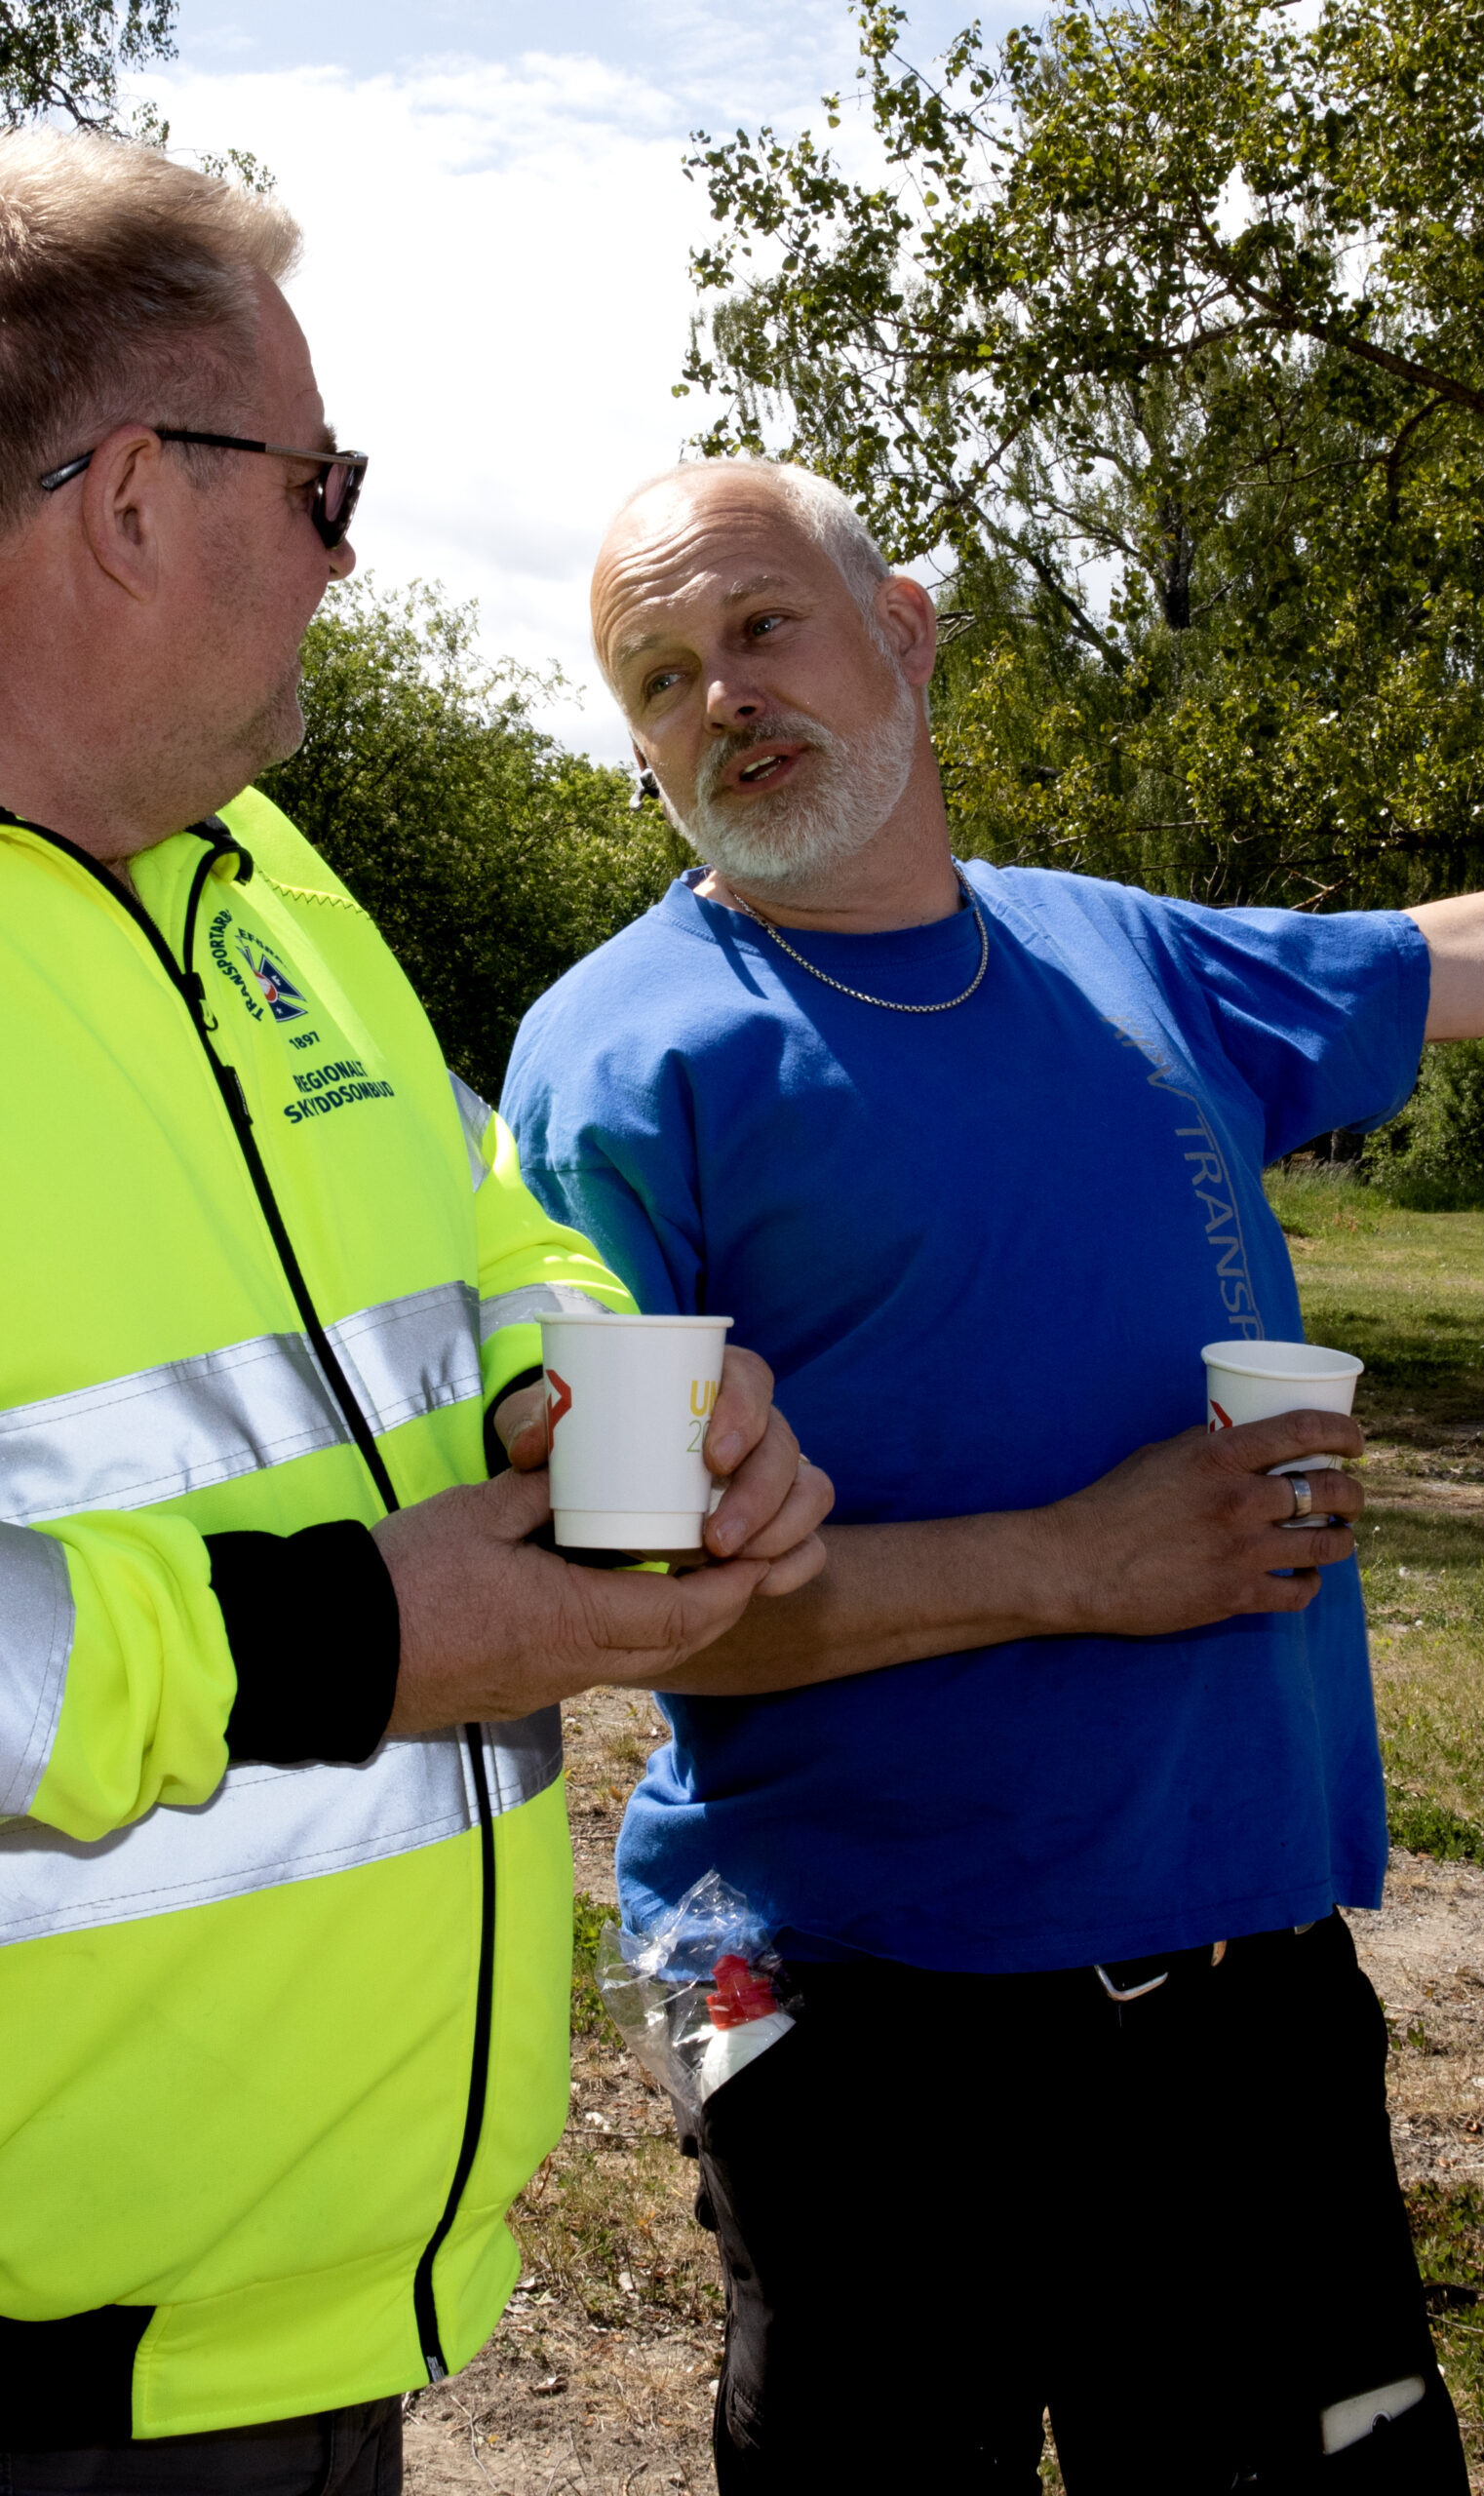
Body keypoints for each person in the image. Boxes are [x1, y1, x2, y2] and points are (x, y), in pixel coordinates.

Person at [501, 455, 1484, 2496]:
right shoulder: (616, 1059)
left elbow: (1479, 952)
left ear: (898, 626)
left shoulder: (1125, 959)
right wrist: (1074, 1562)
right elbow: (627, 1594)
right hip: (854, 2009)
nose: (720, 696)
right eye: (656, 676)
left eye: (759, 628)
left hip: (1245, 1994)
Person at [0, 135, 841, 2495]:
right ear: (140, 500)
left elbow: (483, 1210)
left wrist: (587, 1372)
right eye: (321, 478)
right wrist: (350, 1634)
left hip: (314, 2334)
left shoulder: (267, 870)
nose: (350, 551)